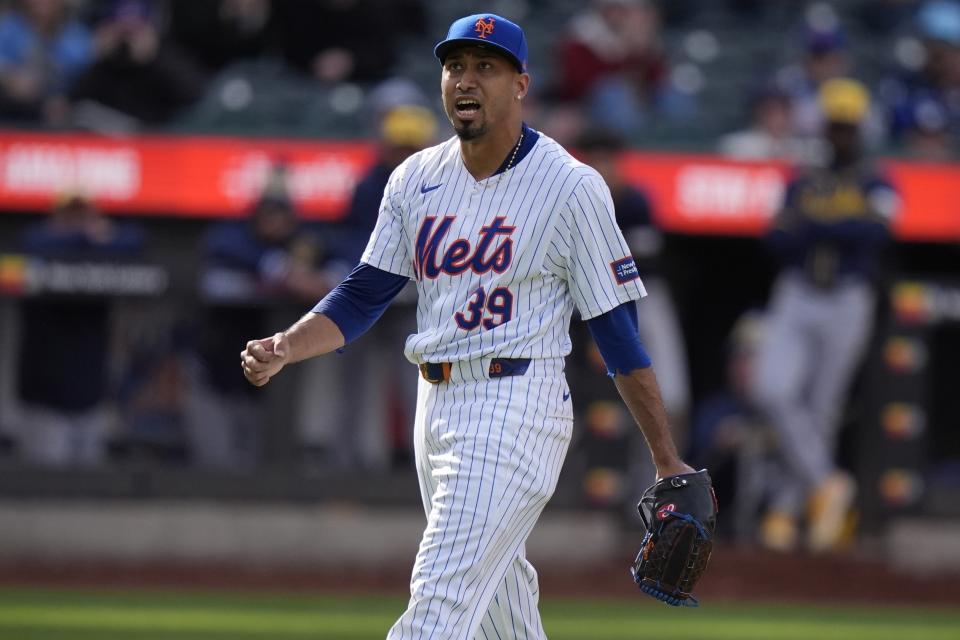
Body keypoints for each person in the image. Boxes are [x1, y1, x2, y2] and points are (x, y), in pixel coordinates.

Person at [241, 13, 699, 639]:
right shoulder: (415, 178)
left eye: (486, 67)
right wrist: (287, 346)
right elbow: (364, 294)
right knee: (503, 620)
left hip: (517, 405)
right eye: (455, 66)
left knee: (436, 608)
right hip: (437, 406)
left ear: (520, 84)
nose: (466, 79)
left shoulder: (571, 188)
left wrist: (665, 456)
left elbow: (617, 332)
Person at [751, 78, 899, 553]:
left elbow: (876, 236)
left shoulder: (877, 179)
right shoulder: (802, 177)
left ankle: (786, 511)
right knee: (770, 388)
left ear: (860, 129)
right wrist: (836, 227)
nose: (839, 135)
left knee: (822, 409)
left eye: (847, 127)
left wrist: (817, 226)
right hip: (798, 292)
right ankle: (827, 483)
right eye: (834, 126)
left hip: (848, 298)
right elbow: (776, 238)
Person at [15, 192, 144, 467]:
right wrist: (85, 236)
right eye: (70, 217)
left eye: (84, 217)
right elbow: (33, 244)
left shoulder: (107, 250)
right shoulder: (39, 243)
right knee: (45, 486)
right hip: (44, 399)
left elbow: (136, 240)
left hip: (91, 400)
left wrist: (94, 237)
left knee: (88, 489)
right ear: (55, 218)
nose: (78, 223)